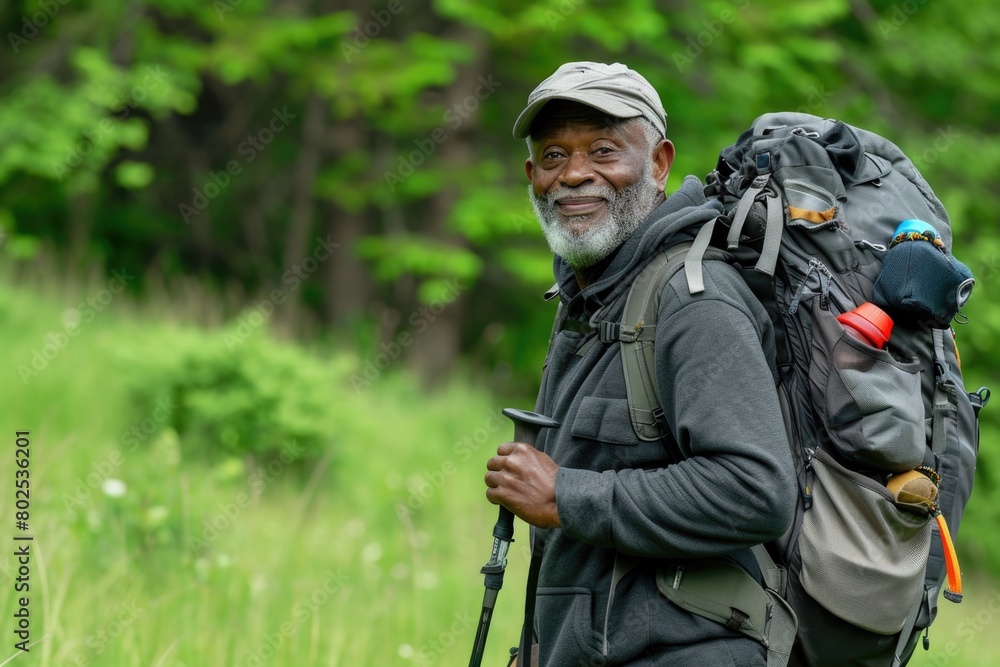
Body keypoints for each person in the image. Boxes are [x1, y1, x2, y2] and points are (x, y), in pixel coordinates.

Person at [484, 62, 798, 666]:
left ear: (658, 163)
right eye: (552, 156)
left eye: (603, 150)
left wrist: (565, 496)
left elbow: (756, 490)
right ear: (531, 176)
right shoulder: (588, 300)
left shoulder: (692, 300)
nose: (574, 174)